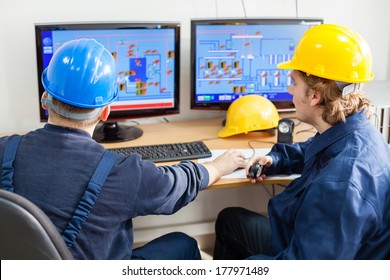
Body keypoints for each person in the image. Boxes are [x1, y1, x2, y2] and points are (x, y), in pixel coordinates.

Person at [0, 38, 246, 260]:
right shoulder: (120, 172)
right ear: (106, 111)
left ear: (45, 98)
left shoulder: (4, 150)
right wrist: (216, 166)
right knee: (183, 244)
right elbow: (176, 185)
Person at [213, 24, 390, 260]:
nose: (289, 90)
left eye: (294, 82)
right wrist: (274, 159)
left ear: (315, 96)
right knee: (230, 220)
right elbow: (315, 150)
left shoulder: (340, 186)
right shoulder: (355, 130)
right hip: (310, 239)